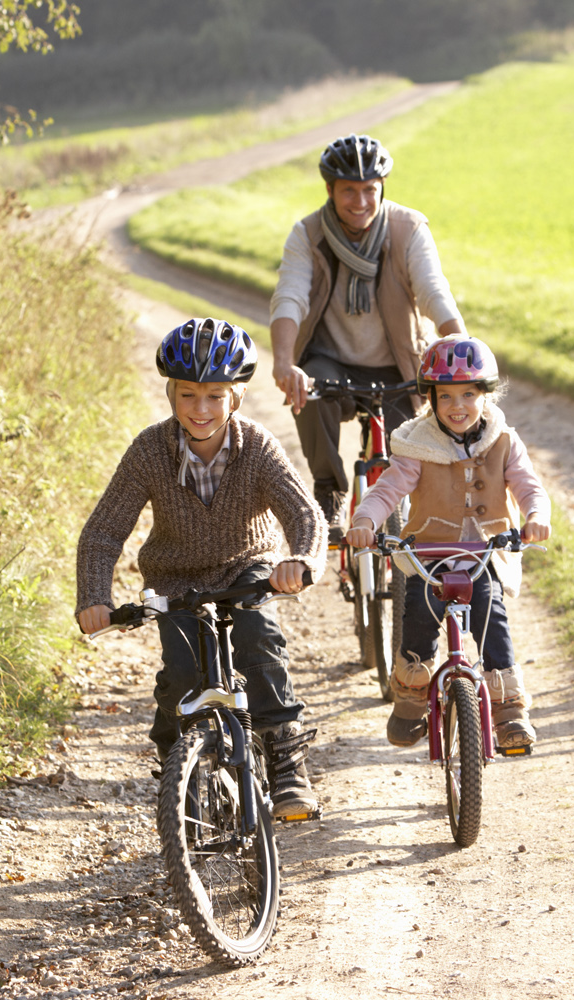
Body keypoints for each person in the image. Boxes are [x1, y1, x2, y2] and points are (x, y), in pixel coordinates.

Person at [76, 318, 326, 818]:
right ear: (170, 394)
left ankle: (284, 764)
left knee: (259, 643)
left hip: (247, 567)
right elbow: (104, 530)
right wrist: (94, 597)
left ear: (236, 397)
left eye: (215, 396)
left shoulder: (256, 445)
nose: (201, 409)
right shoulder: (150, 450)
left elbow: (303, 512)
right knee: (182, 675)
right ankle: (178, 769)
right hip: (176, 578)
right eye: (188, 395)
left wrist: (300, 559)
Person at [344, 335, 551, 750]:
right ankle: (410, 700)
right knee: (419, 619)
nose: (458, 406)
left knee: (492, 619)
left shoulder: (503, 440)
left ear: (485, 395)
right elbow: (388, 490)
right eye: (446, 396)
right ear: (431, 399)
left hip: (484, 552)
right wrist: (366, 519)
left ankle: (509, 711)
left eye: (468, 394)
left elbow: (529, 486)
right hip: (428, 552)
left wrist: (536, 517)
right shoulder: (418, 445)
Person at [269, 132, 469, 540]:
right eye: (348, 191)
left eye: (369, 190)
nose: (360, 202)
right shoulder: (307, 235)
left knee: (409, 456)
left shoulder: (408, 228)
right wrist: (283, 362)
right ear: (329, 189)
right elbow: (289, 297)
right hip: (332, 361)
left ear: (382, 189)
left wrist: (460, 344)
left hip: (399, 364)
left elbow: (433, 291)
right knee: (308, 391)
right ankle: (329, 491)